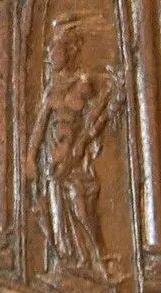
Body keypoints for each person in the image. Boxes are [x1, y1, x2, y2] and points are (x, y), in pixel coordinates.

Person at [26, 15, 121, 279]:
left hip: (77, 156)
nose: (50, 54)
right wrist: (31, 157)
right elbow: (39, 127)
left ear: (69, 51)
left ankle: (100, 256)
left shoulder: (84, 82)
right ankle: (74, 258)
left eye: (55, 49)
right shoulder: (51, 90)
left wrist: (87, 139)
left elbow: (101, 110)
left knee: (81, 208)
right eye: (49, 50)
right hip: (55, 157)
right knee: (55, 209)